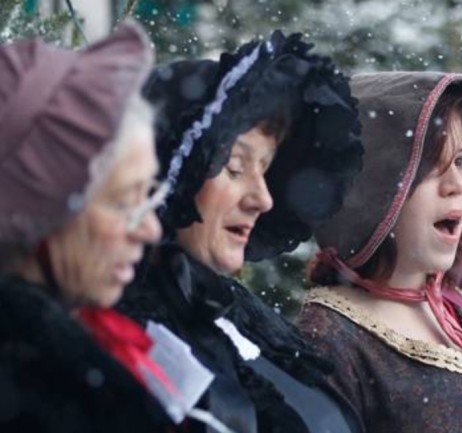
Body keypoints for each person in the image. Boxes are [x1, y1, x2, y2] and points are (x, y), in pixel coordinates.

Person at [116, 31, 364, 433]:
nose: (263, 199)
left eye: (265, 169)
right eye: (234, 167)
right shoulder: (126, 333)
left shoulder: (242, 319)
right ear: (168, 173)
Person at [297, 71, 462, 433]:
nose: (455, 186)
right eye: (430, 167)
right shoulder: (329, 339)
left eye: (461, 162)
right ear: (373, 192)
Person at [0, 23, 173, 432]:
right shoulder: (51, 394)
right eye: (123, 201)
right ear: (39, 209)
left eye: (148, 195)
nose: (149, 229)